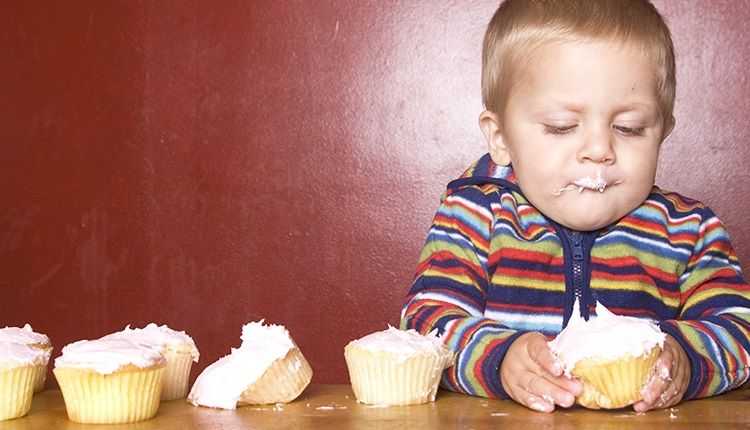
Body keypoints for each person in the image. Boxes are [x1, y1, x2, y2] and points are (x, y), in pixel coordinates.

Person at [400, 0, 750, 413]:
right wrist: (500, 359)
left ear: (662, 131)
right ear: (501, 137)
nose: (599, 150)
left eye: (629, 128)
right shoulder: (476, 215)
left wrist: (687, 361)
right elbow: (425, 323)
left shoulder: (689, 230)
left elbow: (739, 329)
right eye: (562, 127)